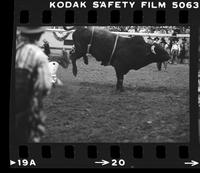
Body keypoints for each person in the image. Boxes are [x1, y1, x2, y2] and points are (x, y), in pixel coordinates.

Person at [15, 27, 52, 143]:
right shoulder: (38, 54)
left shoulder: (17, 48)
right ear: (39, 34)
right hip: (25, 106)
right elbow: (44, 87)